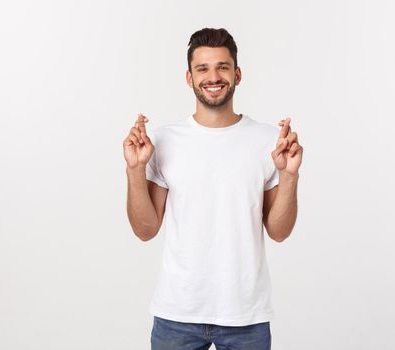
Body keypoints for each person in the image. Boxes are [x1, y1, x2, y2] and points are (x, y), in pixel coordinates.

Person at [123, 27, 303, 350]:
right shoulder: (164, 140)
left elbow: (278, 231)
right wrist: (135, 169)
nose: (213, 76)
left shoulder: (266, 141)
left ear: (237, 74)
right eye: (202, 68)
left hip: (246, 316)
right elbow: (145, 228)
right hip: (177, 312)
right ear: (189, 78)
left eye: (222, 66)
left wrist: (289, 176)